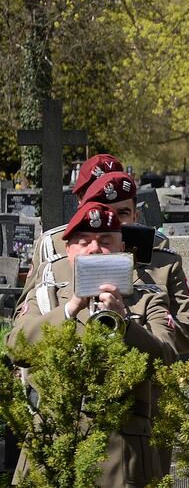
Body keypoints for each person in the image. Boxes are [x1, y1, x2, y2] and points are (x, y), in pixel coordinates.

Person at [7, 201, 179, 487]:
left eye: (104, 241)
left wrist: (125, 320)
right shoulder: (45, 298)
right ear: (69, 251)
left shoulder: (149, 298)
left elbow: (166, 358)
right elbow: (17, 349)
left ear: (121, 248)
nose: (94, 249)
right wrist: (69, 309)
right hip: (55, 441)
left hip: (124, 451)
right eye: (83, 241)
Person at [24, 171, 189, 358]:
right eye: (103, 211)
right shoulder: (52, 270)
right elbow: (19, 343)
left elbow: (182, 337)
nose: (111, 219)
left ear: (135, 216)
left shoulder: (159, 272)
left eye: (121, 213)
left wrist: (142, 330)